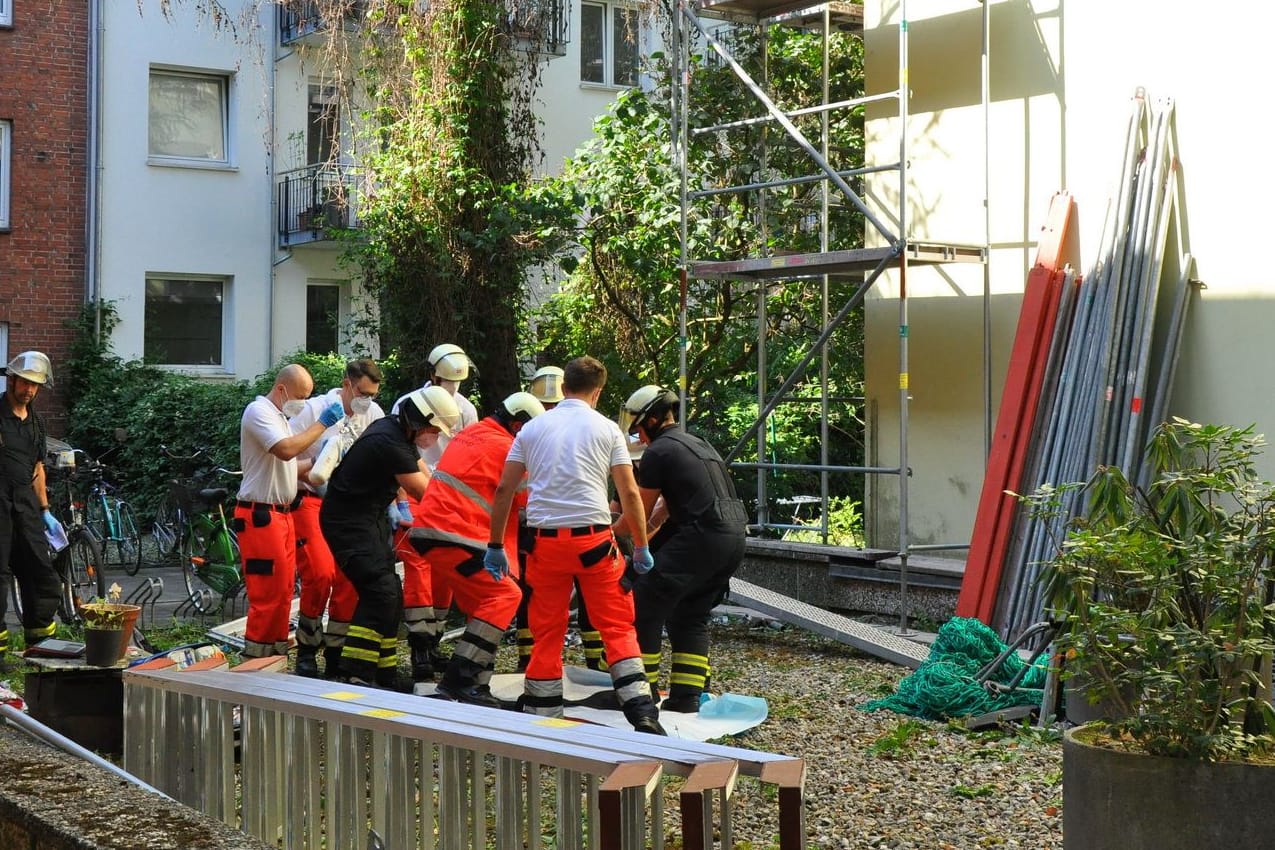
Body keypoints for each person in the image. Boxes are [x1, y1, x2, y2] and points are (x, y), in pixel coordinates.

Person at [486, 356, 665, 734]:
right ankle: (642, 714)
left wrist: (495, 544)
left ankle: (542, 714)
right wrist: (641, 545)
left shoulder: (531, 431)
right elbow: (629, 492)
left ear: (562, 387)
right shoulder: (607, 430)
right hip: (595, 543)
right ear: (597, 392)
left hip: (545, 546)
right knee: (616, 626)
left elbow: (504, 490)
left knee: (546, 629)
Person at [404, 391, 545, 705]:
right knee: (506, 595)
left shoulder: (471, 433)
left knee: (482, 606)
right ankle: (458, 680)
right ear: (518, 424)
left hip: (433, 530)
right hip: (458, 532)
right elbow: (526, 501)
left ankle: (476, 687)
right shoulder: (509, 448)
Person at [615, 385, 749, 712]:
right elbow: (665, 512)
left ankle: (640, 695)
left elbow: (637, 511)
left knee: (643, 601)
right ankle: (686, 699)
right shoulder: (696, 443)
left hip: (702, 537)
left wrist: (603, 531)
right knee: (689, 615)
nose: (638, 436)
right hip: (732, 539)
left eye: (638, 428)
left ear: (654, 419)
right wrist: (649, 532)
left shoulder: (660, 451)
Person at [320, 386, 460, 686]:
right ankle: (356, 672)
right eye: (435, 429)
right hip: (348, 523)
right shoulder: (388, 440)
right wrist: (462, 517)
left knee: (391, 594)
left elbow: (430, 479)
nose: (435, 436)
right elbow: (422, 490)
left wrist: (455, 500)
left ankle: (385, 674)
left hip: (368, 519)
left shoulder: (398, 432)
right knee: (379, 592)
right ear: (422, 421)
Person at [235, 364, 344, 659]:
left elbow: (289, 468)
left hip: (281, 514)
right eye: (300, 396)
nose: (303, 403)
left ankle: (275, 658)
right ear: (282, 389)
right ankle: (257, 661)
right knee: (268, 595)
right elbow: (285, 450)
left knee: (283, 593)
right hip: (261, 514)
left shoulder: (281, 418)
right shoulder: (259, 412)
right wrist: (321, 425)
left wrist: (324, 459)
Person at [289, 358, 386, 678]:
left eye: (371, 394)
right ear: (346, 384)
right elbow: (285, 455)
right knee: (320, 573)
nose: (366, 399)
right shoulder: (313, 411)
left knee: (349, 577)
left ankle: (336, 649)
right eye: (361, 392)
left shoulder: (373, 415)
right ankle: (306, 647)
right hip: (312, 501)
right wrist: (318, 462)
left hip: (352, 506)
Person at [0, 352, 66, 664]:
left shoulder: (36, 423)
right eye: (25, 383)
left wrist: (45, 510)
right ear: (11, 380)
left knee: (41, 572)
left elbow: (38, 468)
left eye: (35, 386)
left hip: (26, 505)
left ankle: (40, 644)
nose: (29, 390)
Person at [513, 365, 566, 671]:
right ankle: (528, 656)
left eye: (552, 405)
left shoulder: (571, 430)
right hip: (531, 521)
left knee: (551, 593)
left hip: (555, 521)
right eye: (544, 406)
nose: (548, 411)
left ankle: (545, 657)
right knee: (529, 590)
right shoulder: (528, 430)